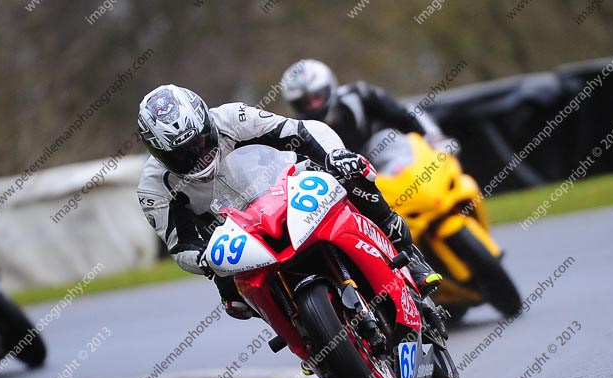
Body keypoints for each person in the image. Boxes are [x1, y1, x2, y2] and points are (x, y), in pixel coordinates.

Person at [136, 84, 442, 320]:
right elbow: (179, 245)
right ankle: (299, 327)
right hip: (231, 231)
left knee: (354, 175)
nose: (198, 154)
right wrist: (204, 258)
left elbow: (301, 131)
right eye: (181, 154)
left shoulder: (235, 118)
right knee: (234, 300)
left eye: (200, 141)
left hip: (285, 187)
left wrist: (333, 157)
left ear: (207, 121)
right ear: (157, 152)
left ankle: (407, 255)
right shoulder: (153, 188)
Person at [280, 59, 450, 154]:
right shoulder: (298, 133)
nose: (313, 106)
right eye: (305, 102)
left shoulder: (359, 96)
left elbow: (406, 112)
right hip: (356, 200)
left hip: (394, 172)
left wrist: (433, 138)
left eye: (317, 97)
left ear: (329, 88)